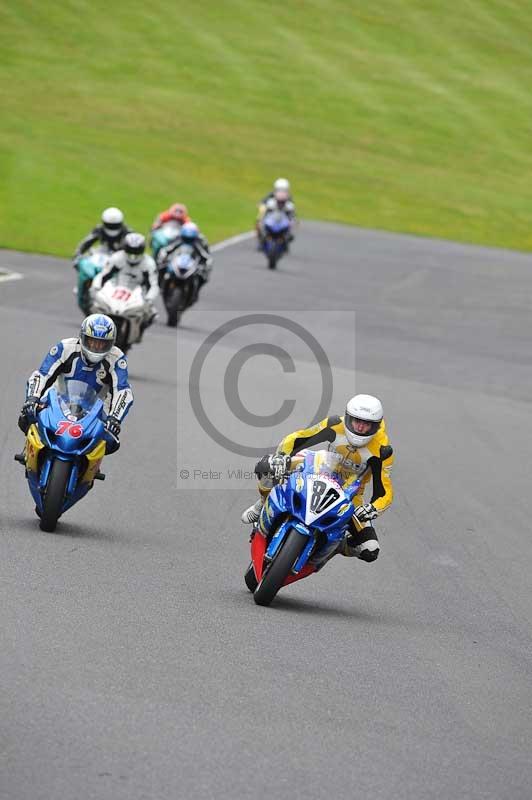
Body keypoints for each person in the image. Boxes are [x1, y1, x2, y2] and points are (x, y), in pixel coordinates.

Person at [241, 394, 394, 563]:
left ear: (377, 426)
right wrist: (281, 457)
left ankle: (336, 546)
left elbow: (384, 491)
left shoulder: (382, 450)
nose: (360, 428)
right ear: (348, 417)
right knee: (267, 466)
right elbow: (298, 438)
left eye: (367, 424)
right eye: (357, 421)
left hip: (350, 494)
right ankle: (262, 503)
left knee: (370, 550)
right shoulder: (335, 424)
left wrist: (372, 509)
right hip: (317, 470)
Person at [18, 314, 133, 455]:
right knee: (26, 417)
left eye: (102, 344)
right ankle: (30, 451)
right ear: (82, 337)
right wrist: (32, 398)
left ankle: (89, 468)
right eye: (92, 342)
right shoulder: (65, 348)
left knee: (111, 441)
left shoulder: (117, 358)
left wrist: (114, 418)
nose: (96, 347)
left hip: (96, 407)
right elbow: (42, 374)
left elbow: (123, 391)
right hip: (58, 399)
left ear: (112, 343)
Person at [93, 232, 159, 334]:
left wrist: (149, 299)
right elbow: (103, 275)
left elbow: (153, 284)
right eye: (131, 250)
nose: (133, 255)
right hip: (115, 289)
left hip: (137, 292)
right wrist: (96, 288)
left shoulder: (149, 263)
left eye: (136, 251)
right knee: (96, 305)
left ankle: (138, 331)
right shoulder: (116, 258)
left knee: (152, 315)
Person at [157, 221, 213, 296]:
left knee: (203, 277)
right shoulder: (177, 239)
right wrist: (162, 259)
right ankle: (160, 285)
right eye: (186, 238)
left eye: (190, 238)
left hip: (192, 264)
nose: (188, 240)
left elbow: (206, 255)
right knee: (161, 268)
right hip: (176, 261)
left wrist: (206, 266)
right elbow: (166, 249)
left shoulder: (199, 242)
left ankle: (195, 292)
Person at [256, 178, 296, 245]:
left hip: (283, 216)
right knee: (259, 219)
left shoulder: (289, 197)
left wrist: (293, 217)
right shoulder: (271, 195)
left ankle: (287, 236)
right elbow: (263, 202)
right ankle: (261, 236)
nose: (281, 193)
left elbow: (292, 209)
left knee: (292, 222)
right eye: (279, 190)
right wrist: (261, 206)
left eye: (284, 190)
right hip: (272, 214)